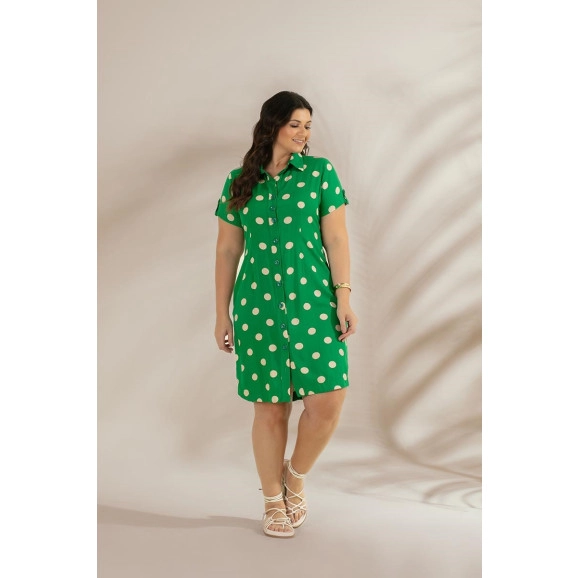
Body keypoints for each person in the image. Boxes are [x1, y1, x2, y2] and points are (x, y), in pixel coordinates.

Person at [214, 90, 358, 538]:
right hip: (258, 308)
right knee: (270, 409)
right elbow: (227, 251)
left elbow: (337, 239)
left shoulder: (319, 174)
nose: (303, 133)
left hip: (314, 302)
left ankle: (294, 477)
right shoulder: (239, 181)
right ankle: (272, 499)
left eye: (308, 125)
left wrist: (344, 297)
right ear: (271, 125)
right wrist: (221, 314)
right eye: (295, 124)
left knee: (328, 400)